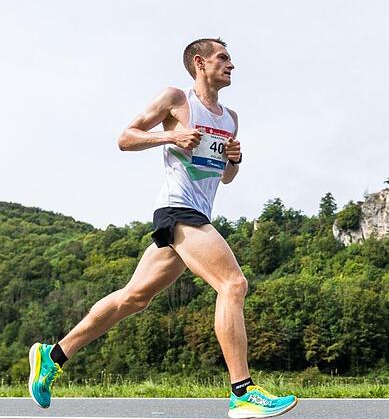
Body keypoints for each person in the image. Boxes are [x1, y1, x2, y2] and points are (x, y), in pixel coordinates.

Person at [27, 38, 298, 418]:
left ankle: (52, 356)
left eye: (231, 59)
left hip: (196, 214)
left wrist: (236, 159)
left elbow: (227, 178)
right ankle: (243, 392)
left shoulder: (230, 118)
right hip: (177, 210)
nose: (232, 64)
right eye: (223, 58)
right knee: (233, 284)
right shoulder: (176, 99)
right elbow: (126, 138)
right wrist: (171, 135)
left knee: (133, 298)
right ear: (200, 63)